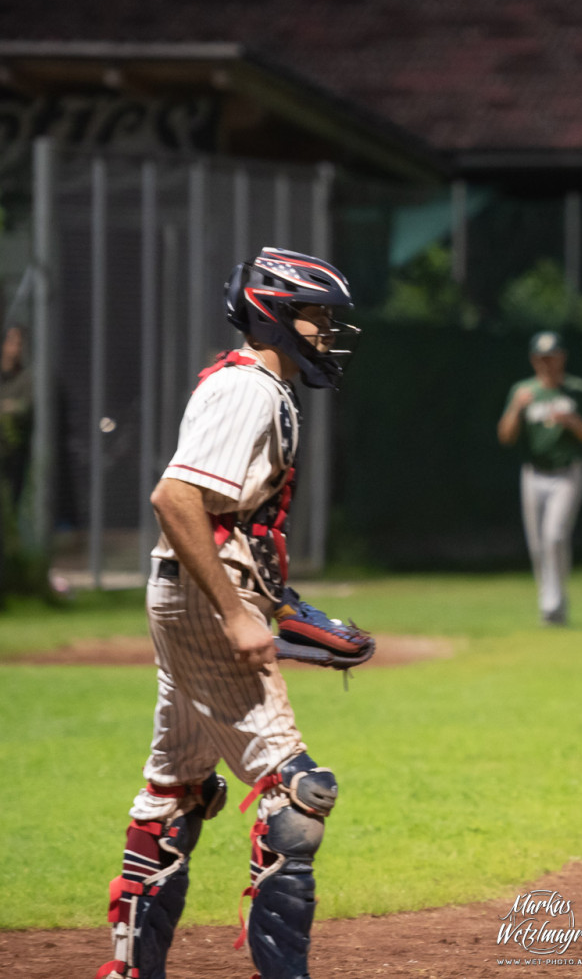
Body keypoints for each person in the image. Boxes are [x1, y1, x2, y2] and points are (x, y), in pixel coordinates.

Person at [97, 247, 361, 979]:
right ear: (276, 313)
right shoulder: (248, 390)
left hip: (198, 594)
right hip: (206, 600)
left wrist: (276, 606)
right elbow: (175, 499)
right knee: (298, 795)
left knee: (177, 786)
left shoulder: (256, 386)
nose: (325, 333)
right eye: (316, 317)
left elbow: (232, 520)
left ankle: (130, 971)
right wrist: (238, 615)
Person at [497, 330, 582, 625]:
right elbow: (505, 436)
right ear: (533, 360)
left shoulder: (578, 389)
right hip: (533, 473)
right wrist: (516, 406)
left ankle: (554, 604)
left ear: (562, 357)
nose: (546, 363)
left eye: (551, 357)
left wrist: (572, 421)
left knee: (554, 535)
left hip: (567, 473)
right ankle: (551, 605)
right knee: (538, 544)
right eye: (541, 358)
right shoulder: (524, 391)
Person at [0, 324, 32, 509]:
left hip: (15, 456)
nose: (16, 348)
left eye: (20, 344)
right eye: (12, 342)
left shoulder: (26, 379)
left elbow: (26, 407)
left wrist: (8, 407)